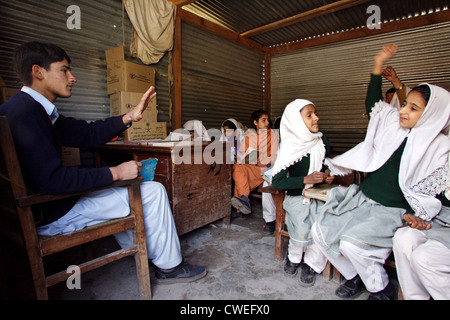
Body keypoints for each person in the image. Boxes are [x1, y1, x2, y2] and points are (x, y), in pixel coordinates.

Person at [0, 41, 206, 284]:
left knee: (128, 191)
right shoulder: (26, 115)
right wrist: (116, 173)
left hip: (48, 207)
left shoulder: (30, 110)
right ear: (38, 72)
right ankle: (170, 268)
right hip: (50, 212)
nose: (72, 77)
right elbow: (52, 181)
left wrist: (130, 116)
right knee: (153, 191)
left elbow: (87, 133)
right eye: (64, 70)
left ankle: (146, 253)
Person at [311, 44, 450, 300]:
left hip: (390, 210)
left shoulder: (439, 147)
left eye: (413, 108)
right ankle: (356, 277)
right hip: (362, 198)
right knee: (319, 232)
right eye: (405, 104)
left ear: (432, 114)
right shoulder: (393, 125)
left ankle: (380, 287)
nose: (403, 111)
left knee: (352, 244)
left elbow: (438, 193)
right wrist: (377, 65)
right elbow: (373, 104)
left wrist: (416, 214)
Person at [271, 99, 333, 286]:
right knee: (300, 223)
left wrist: (328, 174)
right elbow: (278, 182)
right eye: (309, 115)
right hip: (298, 195)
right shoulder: (290, 146)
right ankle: (294, 257)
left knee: (321, 224)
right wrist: (306, 180)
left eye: (315, 113)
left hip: (319, 194)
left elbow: (327, 163)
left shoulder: (322, 141)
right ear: (296, 121)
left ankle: (311, 264)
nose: (316, 118)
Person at [231, 110, 278, 224]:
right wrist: (244, 157)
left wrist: (260, 159)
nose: (267, 122)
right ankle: (244, 199)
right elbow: (242, 153)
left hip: (265, 168)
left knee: (240, 175)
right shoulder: (248, 136)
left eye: (267, 120)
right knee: (237, 167)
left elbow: (274, 156)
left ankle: (241, 202)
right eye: (263, 120)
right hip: (251, 166)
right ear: (255, 122)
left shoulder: (273, 135)